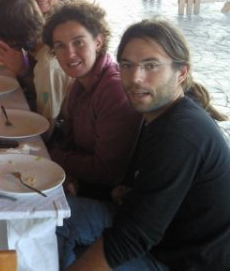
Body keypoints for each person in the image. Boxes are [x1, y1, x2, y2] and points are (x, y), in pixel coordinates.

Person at [59, 19, 230, 270]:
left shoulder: (179, 133)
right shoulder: (160, 114)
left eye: (151, 65)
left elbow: (132, 238)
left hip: (183, 260)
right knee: (48, 215)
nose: (135, 78)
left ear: (181, 73)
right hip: (163, 236)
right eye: (127, 65)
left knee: (53, 234)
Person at [42, 1, 142, 199]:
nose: (69, 54)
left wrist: (50, 156)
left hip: (107, 199)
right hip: (81, 182)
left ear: (98, 41)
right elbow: (69, 138)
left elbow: (108, 172)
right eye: (60, 46)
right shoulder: (80, 83)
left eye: (78, 42)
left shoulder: (113, 90)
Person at [0, 0, 72, 120]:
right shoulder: (39, 43)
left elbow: (47, 122)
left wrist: (22, 71)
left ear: (9, 36)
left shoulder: (47, 64)